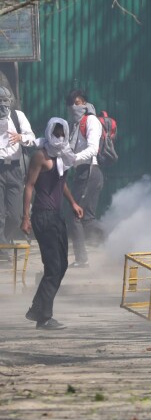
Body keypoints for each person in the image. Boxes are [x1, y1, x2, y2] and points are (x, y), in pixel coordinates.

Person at [22, 118, 83, 330]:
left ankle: (37, 309)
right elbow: (29, 186)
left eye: (61, 134)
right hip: (42, 215)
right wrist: (25, 217)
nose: (58, 138)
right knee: (53, 266)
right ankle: (43, 317)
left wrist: (73, 203)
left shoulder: (64, 155)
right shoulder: (40, 155)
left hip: (57, 216)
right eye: (55, 134)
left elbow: (61, 183)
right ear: (48, 133)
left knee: (62, 264)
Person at [65, 89, 104, 268]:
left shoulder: (91, 121)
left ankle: (82, 260)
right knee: (87, 219)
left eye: (79, 102)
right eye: (72, 103)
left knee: (75, 216)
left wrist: (73, 159)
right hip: (83, 172)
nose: (75, 106)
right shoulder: (74, 125)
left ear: (86, 103)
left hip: (89, 171)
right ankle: (118, 241)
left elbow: (93, 149)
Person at [0, 85, 35, 261]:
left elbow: (32, 138)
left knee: (15, 215)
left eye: (5, 103)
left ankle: (3, 241)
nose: (2, 107)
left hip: (14, 168)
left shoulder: (17, 116)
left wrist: (20, 137)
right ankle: (3, 251)